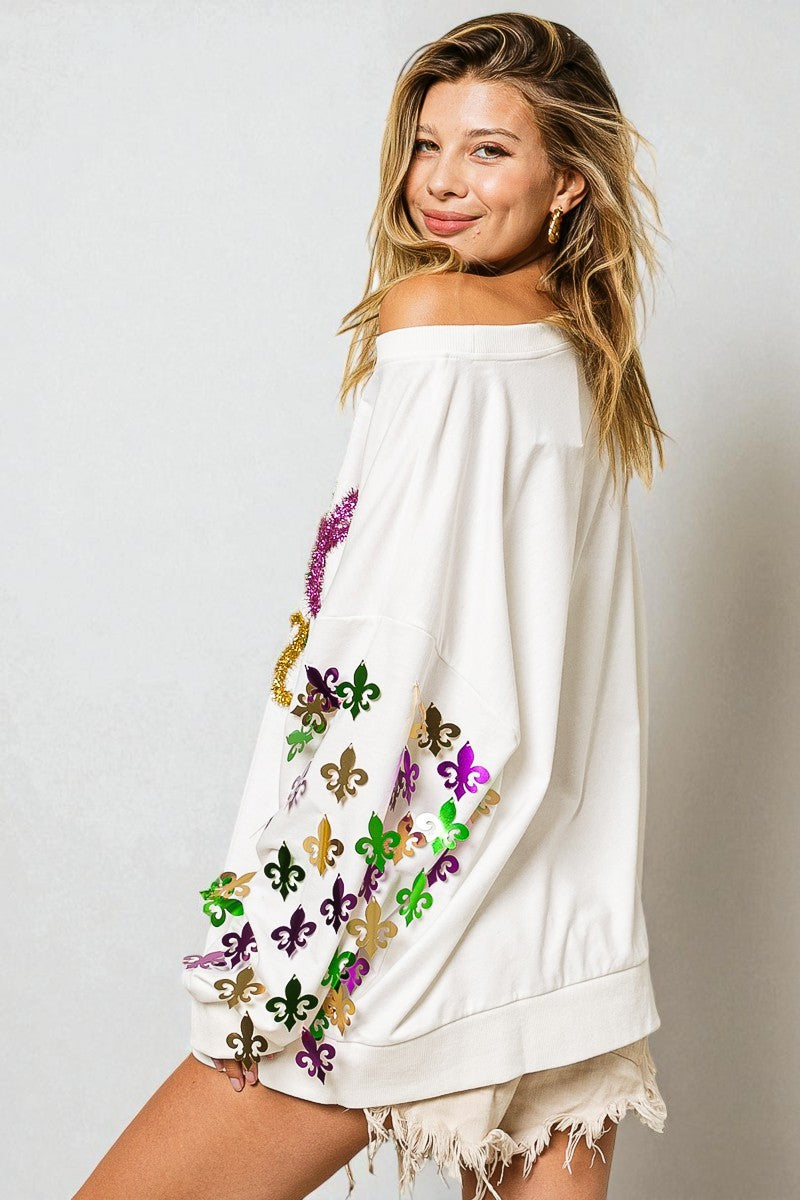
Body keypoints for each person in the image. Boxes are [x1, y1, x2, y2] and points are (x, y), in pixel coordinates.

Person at [73, 13, 671, 1200]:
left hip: (407, 922)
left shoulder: (435, 326)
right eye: (427, 142)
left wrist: (276, 945)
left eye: (490, 151)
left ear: (567, 182)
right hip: (560, 931)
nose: (441, 182)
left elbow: (383, 646)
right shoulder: (588, 361)